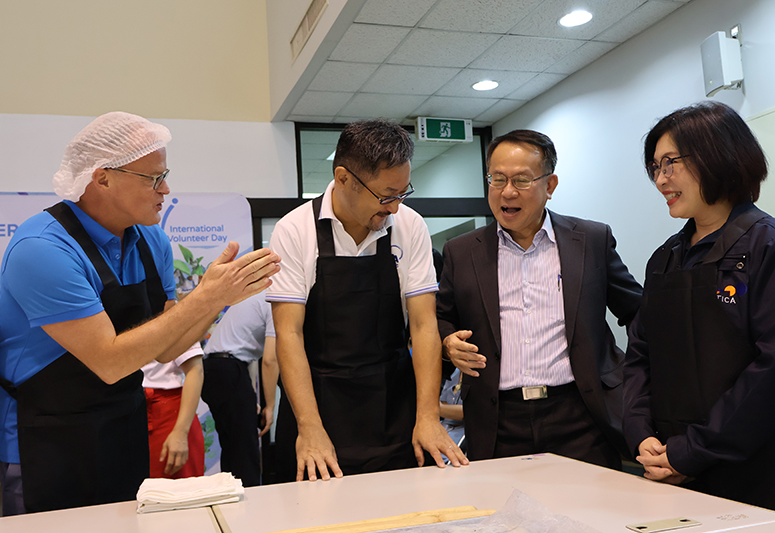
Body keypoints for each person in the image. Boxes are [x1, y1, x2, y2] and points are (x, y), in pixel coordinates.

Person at [0, 111, 280, 514]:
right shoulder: (42, 248)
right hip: (41, 436)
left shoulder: (150, 239)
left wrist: (218, 300)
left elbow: (166, 348)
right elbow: (108, 360)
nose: (166, 188)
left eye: (165, 174)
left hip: (121, 423)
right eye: (153, 178)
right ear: (102, 177)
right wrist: (206, 297)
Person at [267, 119, 467, 482]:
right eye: (386, 195)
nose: (394, 208)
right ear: (343, 178)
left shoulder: (409, 225)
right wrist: (309, 428)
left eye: (402, 194)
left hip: (393, 405)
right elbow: (289, 334)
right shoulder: (295, 230)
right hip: (319, 404)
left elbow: (423, 325)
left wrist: (427, 417)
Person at [436, 129, 642, 469]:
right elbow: (442, 317)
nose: (507, 191)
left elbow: (638, 312)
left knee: (590, 515)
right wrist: (447, 342)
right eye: (497, 179)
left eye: (521, 179)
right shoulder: (461, 252)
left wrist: (635, 381)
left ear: (550, 186)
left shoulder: (590, 240)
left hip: (580, 414)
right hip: (498, 418)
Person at [624, 101, 775, 509]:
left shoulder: (765, 245)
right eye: (655, 167)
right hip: (664, 465)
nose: (660, 179)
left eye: (670, 163)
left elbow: (768, 370)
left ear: (719, 155)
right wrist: (641, 435)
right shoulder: (665, 258)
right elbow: (639, 356)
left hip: (751, 472)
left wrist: (692, 452)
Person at [201, 291, 278, 487]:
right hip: (228, 370)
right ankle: (250, 510)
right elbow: (270, 360)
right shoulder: (275, 300)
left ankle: (231, 502)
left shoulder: (257, 297)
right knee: (245, 452)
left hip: (214, 369)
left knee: (233, 448)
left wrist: (252, 398)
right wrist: (270, 406)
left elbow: (248, 357)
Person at [142, 343, 205, 479]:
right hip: (124, 408)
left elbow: (195, 370)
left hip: (168, 413)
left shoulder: (173, 321)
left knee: (177, 488)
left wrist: (180, 432)